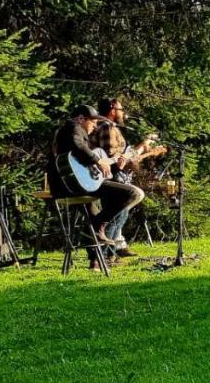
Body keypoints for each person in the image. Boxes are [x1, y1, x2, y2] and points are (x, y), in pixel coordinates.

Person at [49, 105, 144, 270]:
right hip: (72, 185)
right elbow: (78, 146)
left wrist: (114, 164)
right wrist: (98, 160)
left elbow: (87, 163)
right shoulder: (72, 128)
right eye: (92, 122)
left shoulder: (74, 133)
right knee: (132, 194)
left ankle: (97, 260)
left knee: (103, 213)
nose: (94, 126)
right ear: (80, 119)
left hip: (76, 184)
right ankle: (98, 227)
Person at [94, 98, 160, 258]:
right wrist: (140, 148)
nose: (123, 112)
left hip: (113, 175)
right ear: (112, 109)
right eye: (120, 109)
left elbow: (121, 156)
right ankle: (103, 255)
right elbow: (112, 158)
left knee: (120, 214)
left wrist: (142, 149)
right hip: (111, 176)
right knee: (116, 215)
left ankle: (109, 253)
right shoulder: (107, 127)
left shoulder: (108, 126)